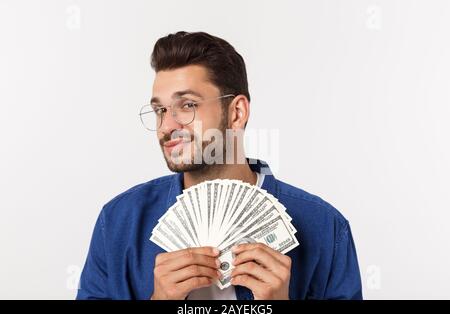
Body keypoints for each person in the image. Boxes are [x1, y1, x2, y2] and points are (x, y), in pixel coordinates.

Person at [76, 31, 362, 300]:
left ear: (236, 113)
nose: (166, 125)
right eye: (160, 110)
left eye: (187, 105)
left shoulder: (326, 228)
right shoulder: (117, 223)